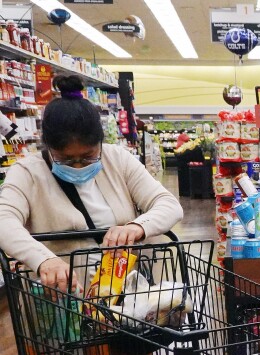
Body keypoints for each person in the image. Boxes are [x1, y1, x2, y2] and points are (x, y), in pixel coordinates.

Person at [0, 75, 183, 289]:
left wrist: (137, 227)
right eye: (66, 159)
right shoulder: (27, 172)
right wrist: (42, 258)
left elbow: (169, 205)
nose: (78, 166)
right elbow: (4, 221)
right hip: (62, 304)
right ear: (48, 147)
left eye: (88, 156)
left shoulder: (116, 159)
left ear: (100, 143)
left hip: (124, 297)